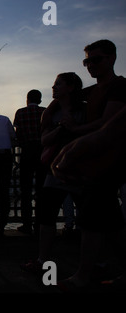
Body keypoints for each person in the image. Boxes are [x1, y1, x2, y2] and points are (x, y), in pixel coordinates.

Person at [52, 39, 126, 291]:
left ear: (112, 58)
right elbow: (65, 99)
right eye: (87, 61)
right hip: (97, 161)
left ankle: (82, 276)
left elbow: (108, 124)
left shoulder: (119, 86)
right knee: (111, 220)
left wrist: (76, 132)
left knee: (91, 217)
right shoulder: (92, 91)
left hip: (112, 160)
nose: (90, 65)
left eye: (97, 59)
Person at [20, 72, 85, 274]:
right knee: (46, 215)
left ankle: (93, 263)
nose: (53, 87)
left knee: (90, 218)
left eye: (58, 84)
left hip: (80, 170)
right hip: (54, 169)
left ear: (71, 87)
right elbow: (45, 140)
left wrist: (73, 128)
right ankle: (42, 259)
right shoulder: (49, 113)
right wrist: (61, 128)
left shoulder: (86, 110)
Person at [13, 89, 47, 235]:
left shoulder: (20, 113)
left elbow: (17, 134)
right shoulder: (45, 112)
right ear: (39, 100)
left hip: (26, 153)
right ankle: (40, 224)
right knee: (41, 191)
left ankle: (26, 224)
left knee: (25, 191)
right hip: (43, 153)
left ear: (27, 99)